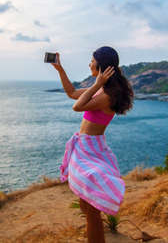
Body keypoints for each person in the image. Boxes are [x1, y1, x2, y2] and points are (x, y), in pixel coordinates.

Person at [52, 46, 134, 243]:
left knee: (91, 211)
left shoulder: (106, 95)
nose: (89, 63)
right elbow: (72, 93)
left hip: (91, 150)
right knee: (86, 207)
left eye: (92, 60)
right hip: (86, 147)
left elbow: (77, 106)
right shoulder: (103, 91)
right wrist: (60, 69)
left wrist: (96, 85)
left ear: (101, 65)